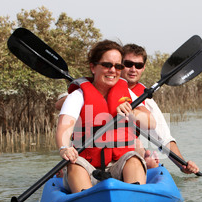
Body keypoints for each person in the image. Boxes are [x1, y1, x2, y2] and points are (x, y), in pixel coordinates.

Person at [56, 40, 156, 193]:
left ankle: (133, 200)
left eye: (118, 66)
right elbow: (64, 127)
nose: (113, 70)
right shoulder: (78, 96)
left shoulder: (127, 93)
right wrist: (64, 148)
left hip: (119, 165)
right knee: (75, 164)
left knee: (134, 159)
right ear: (93, 67)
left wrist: (132, 113)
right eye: (107, 65)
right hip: (87, 166)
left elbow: (151, 123)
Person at [121, 43, 200, 175]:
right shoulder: (102, 86)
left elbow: (163, 138)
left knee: (145, 153)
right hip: (98, 148)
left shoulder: (146, 98)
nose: (133, 69)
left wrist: (182, 165)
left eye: (138, 65)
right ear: (120, 64)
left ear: (143, 68)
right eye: (128, 64)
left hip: (126, 152)